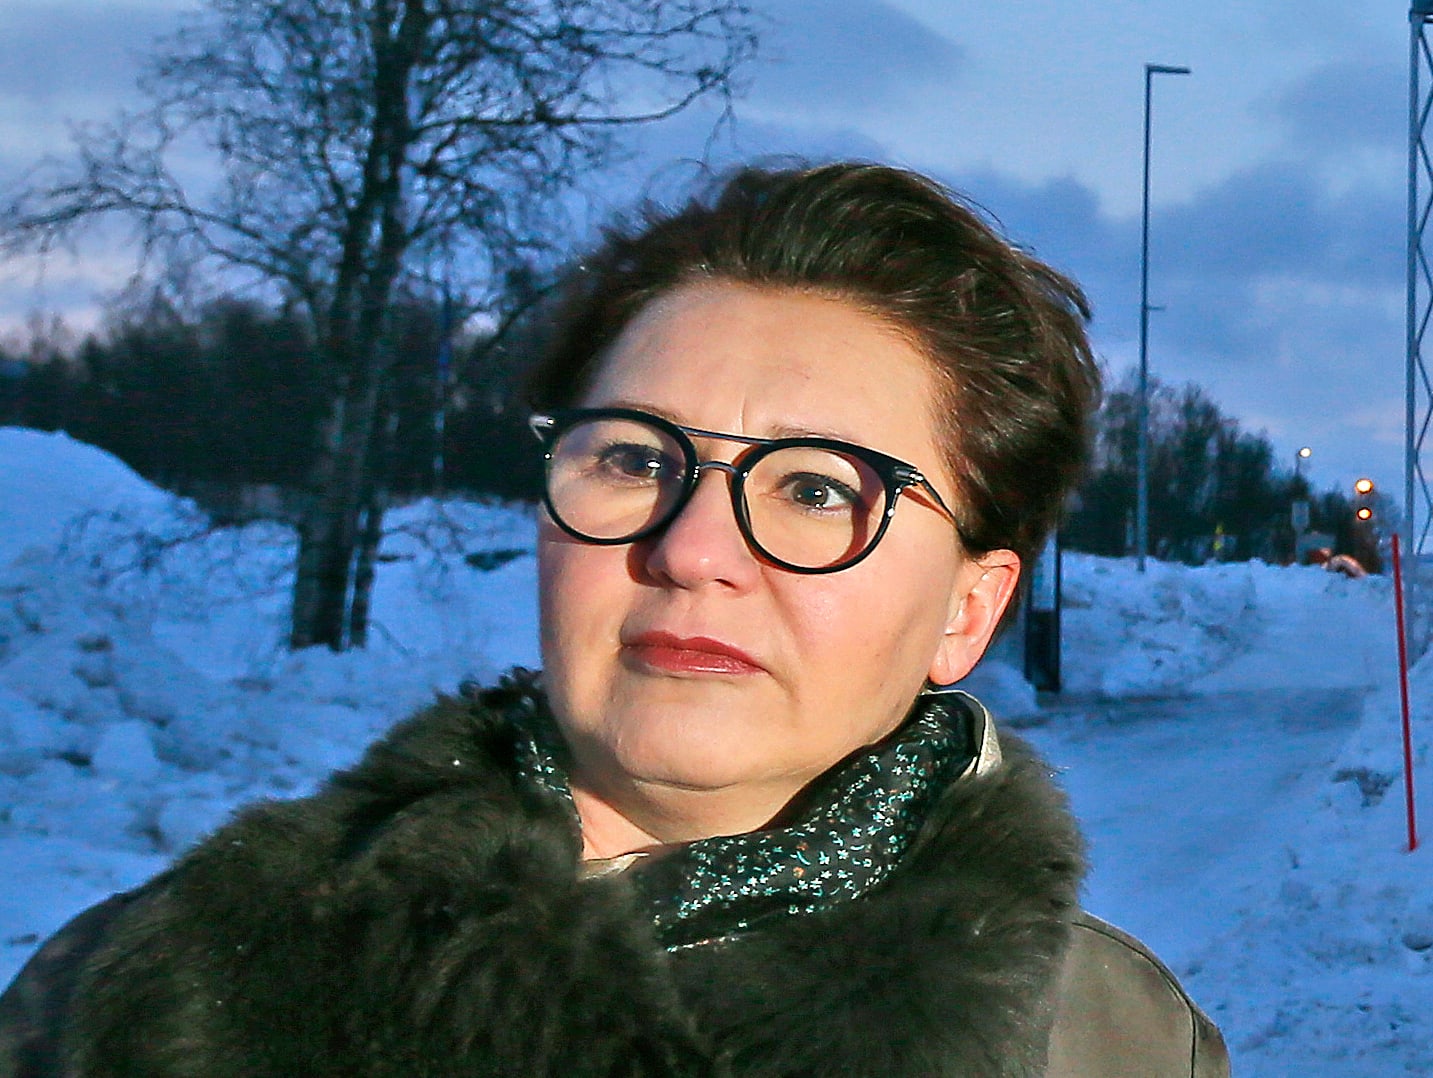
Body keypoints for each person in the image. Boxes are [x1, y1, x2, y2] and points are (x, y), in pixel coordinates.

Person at [0, 162, 1228, 1076]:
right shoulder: (157, 991)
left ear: (967, 608)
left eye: (815, 490)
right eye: (635, 460)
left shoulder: (1112, 1046)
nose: (689, 551)